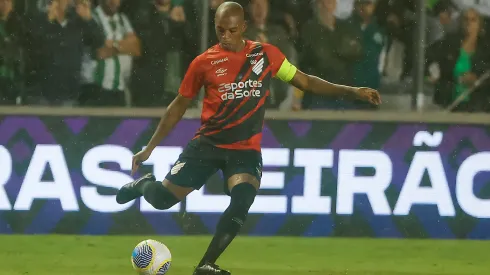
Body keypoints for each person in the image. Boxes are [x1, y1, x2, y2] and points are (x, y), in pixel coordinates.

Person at [116, 2, 381, 275]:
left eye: (231, 30)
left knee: (242, 199)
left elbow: (305, 81)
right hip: (207, 145)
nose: (225, 36)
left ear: (243, 27)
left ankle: (206, 264)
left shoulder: (265, 55)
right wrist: (149, 148)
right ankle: (143, 185)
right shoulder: (204, 63)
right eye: (220, 30)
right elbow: (178, 106)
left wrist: (352, 91)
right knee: (162, 200)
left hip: (245, 150)